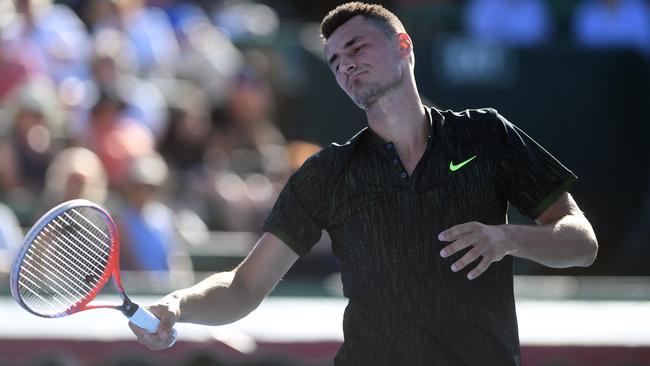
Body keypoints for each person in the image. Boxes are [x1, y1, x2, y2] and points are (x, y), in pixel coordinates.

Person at [130, 3, 598, 365]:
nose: (345, 65)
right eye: (334, 61)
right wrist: (176, 304)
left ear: (403, 45)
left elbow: (582, 243)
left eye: (356, 48)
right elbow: (243, 287)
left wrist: (506, 238)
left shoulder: (486, 135)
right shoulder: (326, 174)